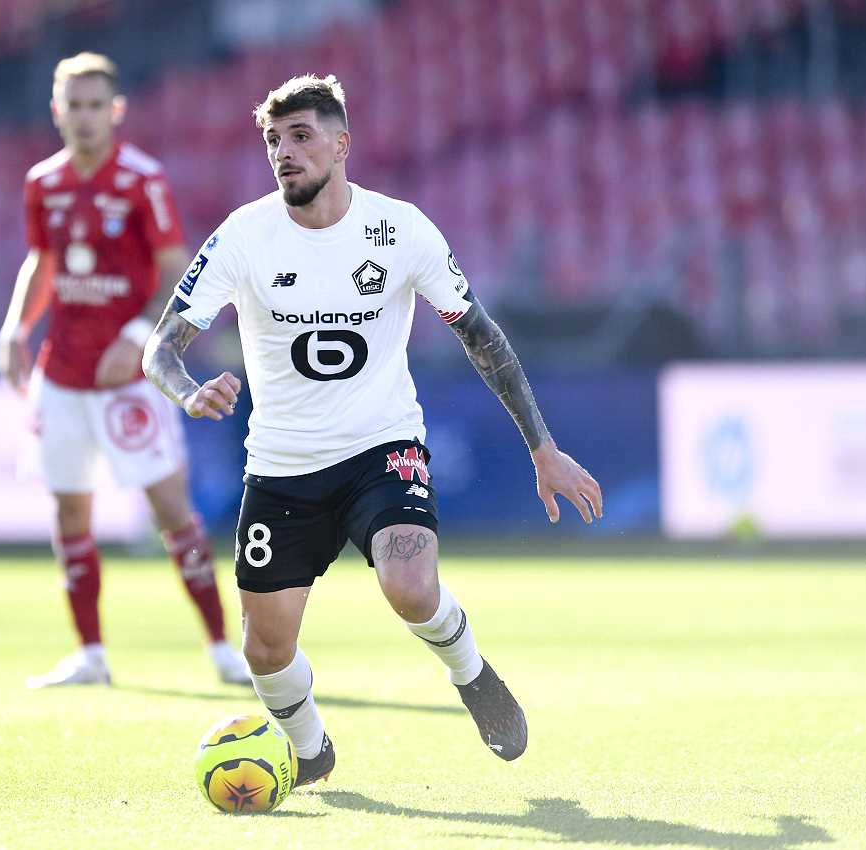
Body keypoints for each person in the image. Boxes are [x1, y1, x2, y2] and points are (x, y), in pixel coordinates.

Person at [143, 74, 603, 784]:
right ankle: (310, 750)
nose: (284, 152)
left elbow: (481, 336)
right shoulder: (243, 236)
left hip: (380, 448)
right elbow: (160, 348)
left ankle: (472, 675)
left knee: (410, 583)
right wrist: (188, 391)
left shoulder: (400, 229)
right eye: (273, 140)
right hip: (282, 467)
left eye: (301, 136)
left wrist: (542, 447)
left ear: (341, 144)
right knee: (265, 650)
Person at [0, 52, 249, 688]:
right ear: (57, 111)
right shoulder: (43, 182)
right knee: (69, 514)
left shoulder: (142, 179)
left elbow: (174, 269)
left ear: (116, 111)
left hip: (128, 379)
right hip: (62, 374)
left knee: (171, 511)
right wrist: (16, 327)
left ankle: (223, 648)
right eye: (73, 105)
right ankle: (91, 654)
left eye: (94, 106)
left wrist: (138, 338)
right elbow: (42, 261)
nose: (84, 117)